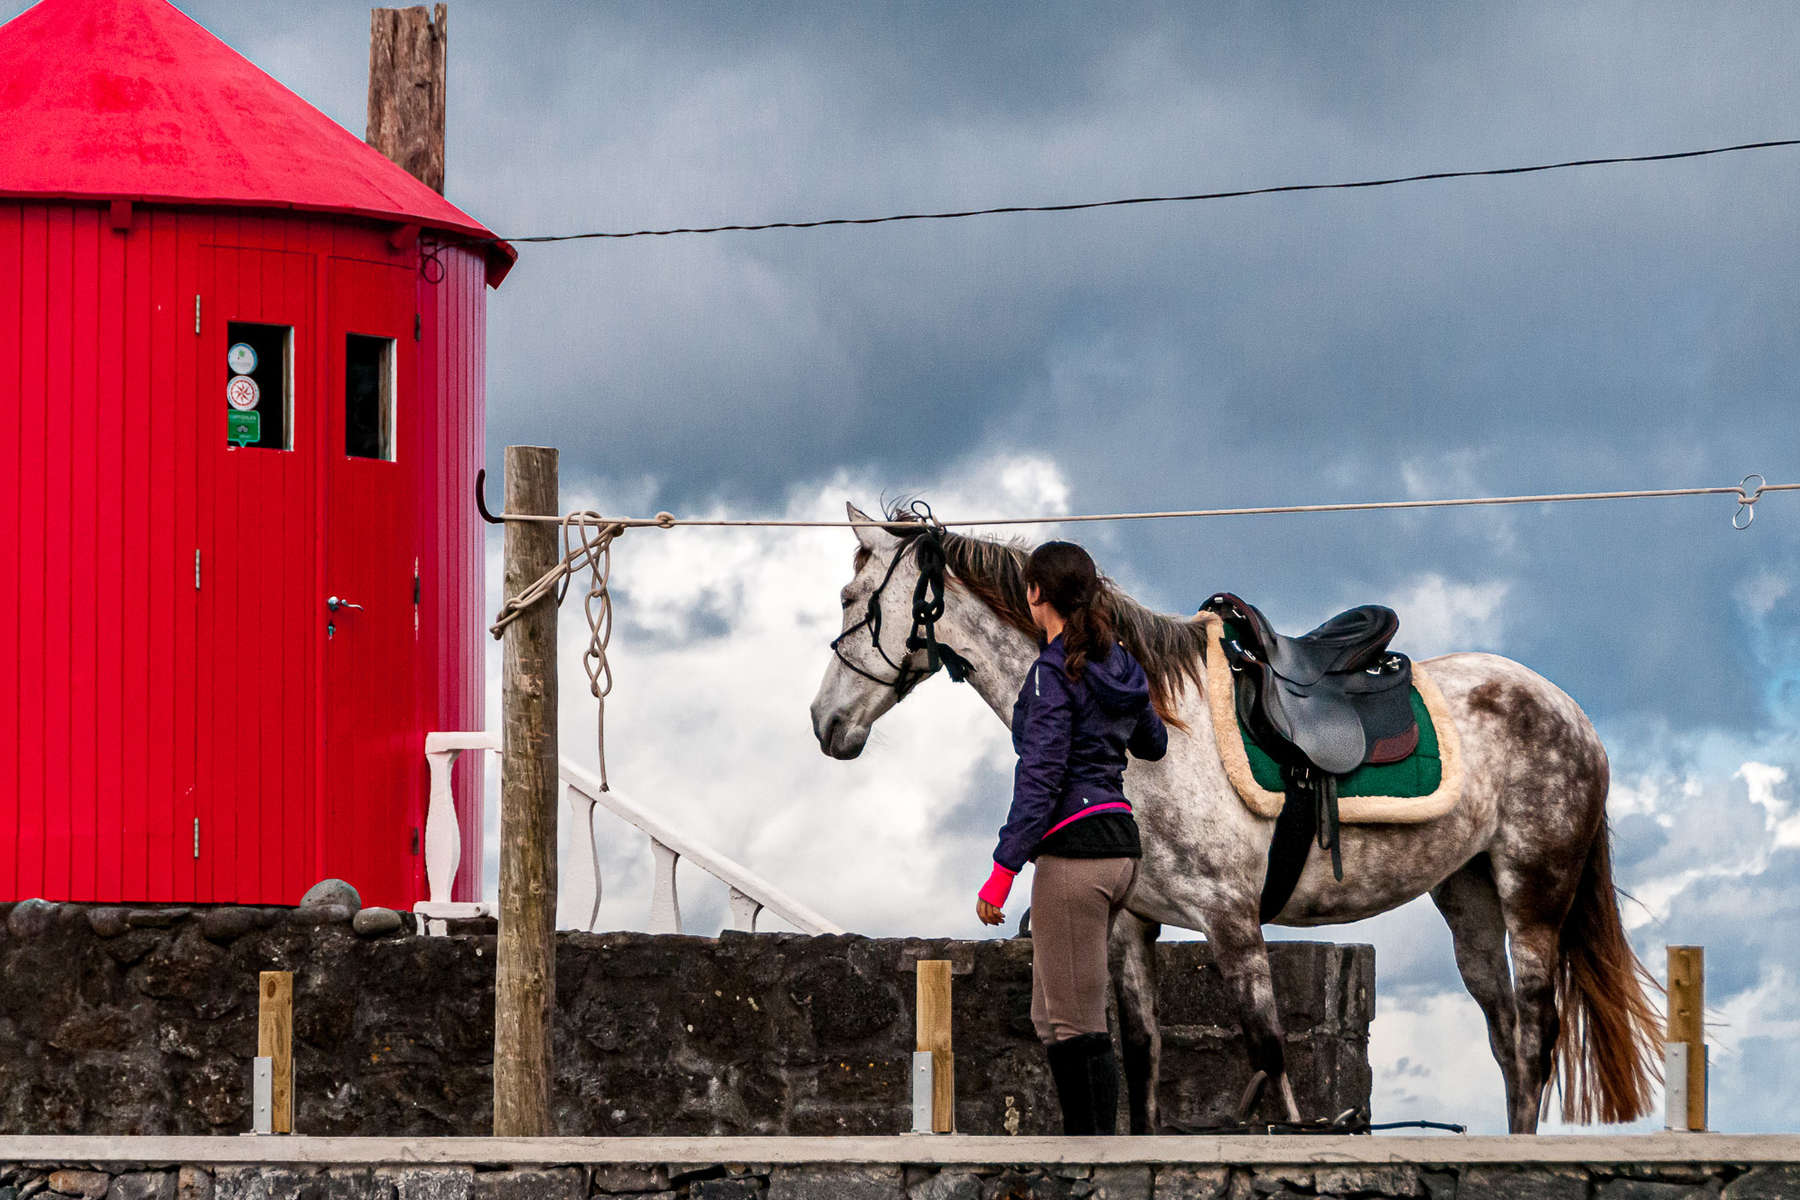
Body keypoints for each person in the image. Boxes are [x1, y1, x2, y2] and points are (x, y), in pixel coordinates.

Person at [975, 540, 1168, 1135]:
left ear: (1036, 594)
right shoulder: (1120, 664)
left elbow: (1041, 777)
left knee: (1079, 1018)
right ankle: (1085, 1150)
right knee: (1052, 1014)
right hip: (1120, 848)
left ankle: (1095, 1158)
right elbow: (1153, 743)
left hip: (1076, 856)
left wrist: (1001, 872)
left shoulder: (1053, 674)